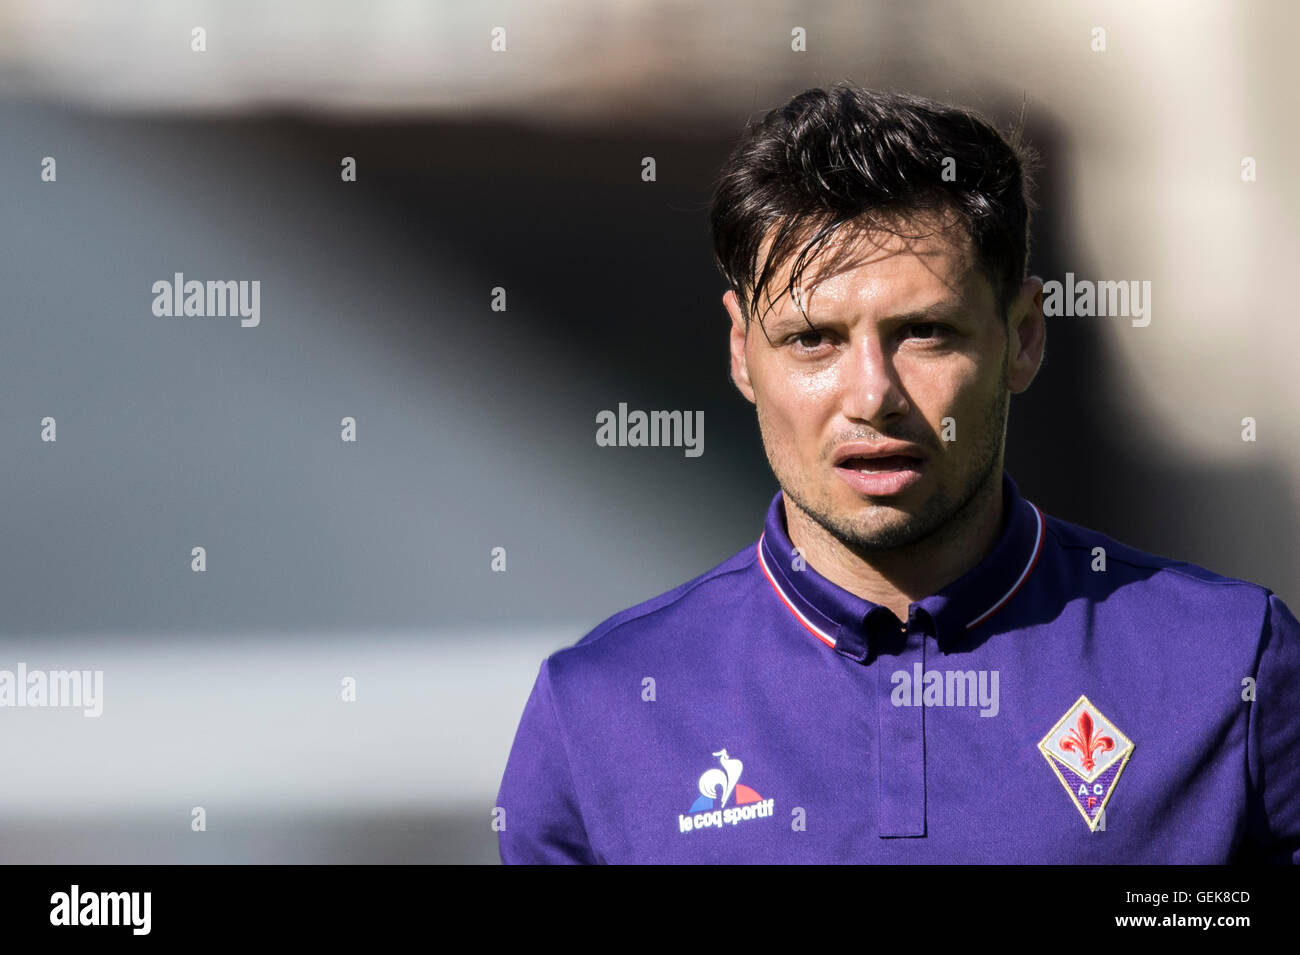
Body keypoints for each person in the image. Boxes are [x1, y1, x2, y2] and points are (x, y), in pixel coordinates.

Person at [494, 82, 1300, 864]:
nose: (873, 395)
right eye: (814, 339)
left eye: (923, 332)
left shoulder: (1233, 664)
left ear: (1023, 337)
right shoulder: (601, 711)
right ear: (742, 351)